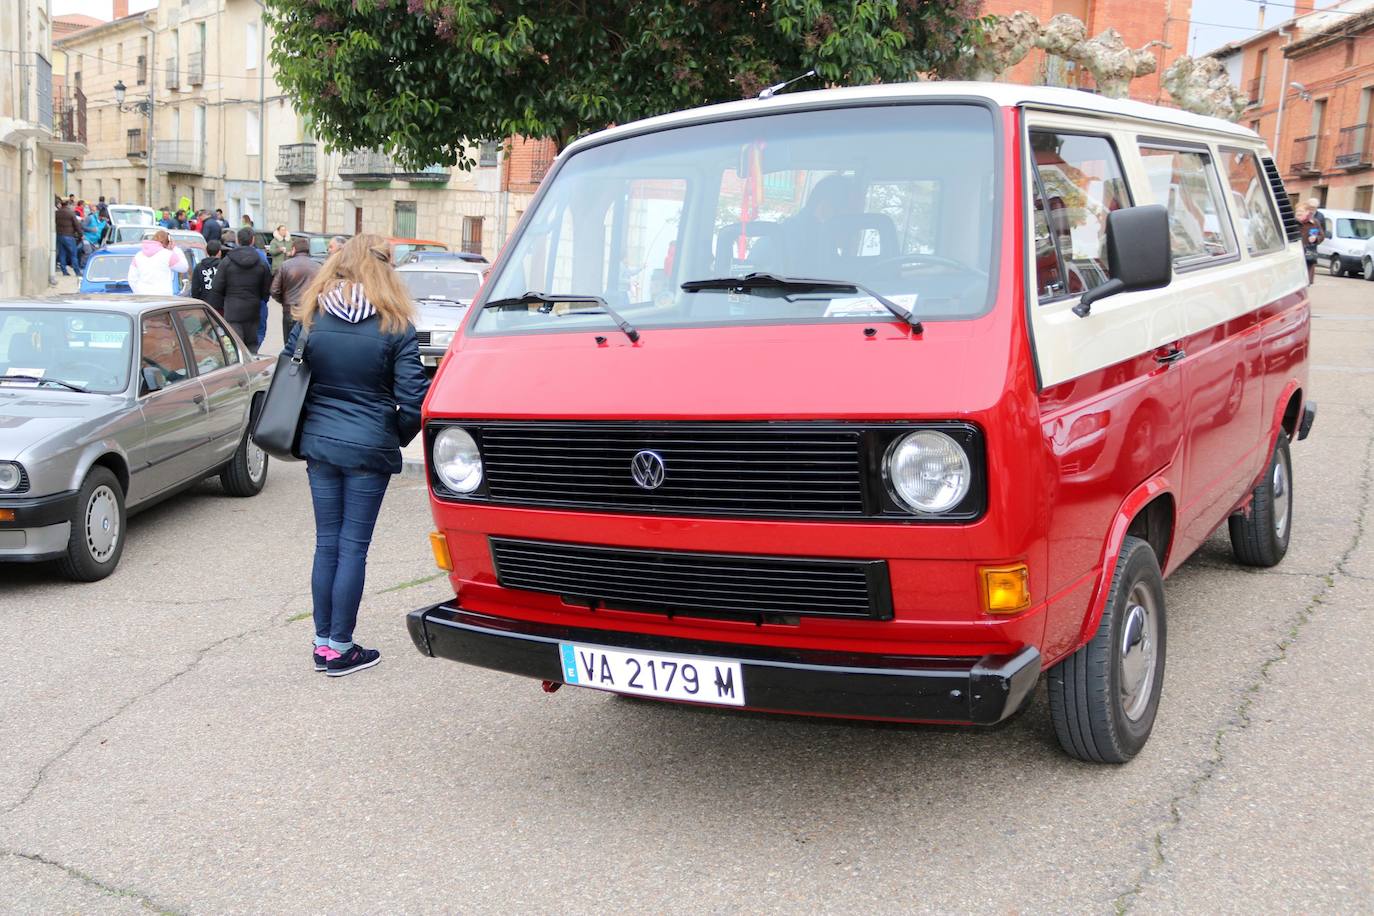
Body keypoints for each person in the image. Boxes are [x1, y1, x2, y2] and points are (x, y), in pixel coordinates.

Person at [283, 234, 428, 676]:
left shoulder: (311, 317)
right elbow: (414, 400)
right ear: (385, 269)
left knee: (327, 542)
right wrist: (392, 435)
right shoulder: (396, 325)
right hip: (369, 448)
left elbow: (290, 377)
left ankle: (322, 644)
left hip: (320, 445)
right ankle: (341, 647)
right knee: (353, 548)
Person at [218, 227, 272, 352]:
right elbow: (267, 286)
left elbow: (218, 286)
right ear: (252, 240)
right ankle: (252, 356)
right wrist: (262, 299)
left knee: (236, 344)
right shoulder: (261, 259)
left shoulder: (228, 260)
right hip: (255, 308)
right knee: (254, 341)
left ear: (237, 240)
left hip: (233, 309)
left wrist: (225, 300)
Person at [271, 236, 321, 342]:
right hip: (310, 310)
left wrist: (285, 301)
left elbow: (274, 290)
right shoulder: (318, 267)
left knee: (289, 344)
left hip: (290, 310)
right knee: (308, 343)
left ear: (294, 249)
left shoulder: (285, 265)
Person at [127, 229, 189, 295]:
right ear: (168, 242)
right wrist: (175, 248)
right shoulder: (167, 255)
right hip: (163, 296)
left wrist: (138, 292)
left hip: (143, 296)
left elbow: (132, 278)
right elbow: (184, 267)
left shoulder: (138, 255)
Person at [191, 239, 225, 313]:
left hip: (204, 306)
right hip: (221, 306)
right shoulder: (224, 266)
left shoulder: (199, 267)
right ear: (219, 252)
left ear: (206, 252)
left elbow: (195, 290)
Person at [1296, 200, 1324, 285]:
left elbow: (1321, 236)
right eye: (1297, 211)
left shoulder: (1314, 223)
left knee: (1305, 282)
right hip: (1295, 254)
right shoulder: (1292, 222)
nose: (1298, 213)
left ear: (1307, 212)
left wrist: (1316, 238)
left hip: (1308, 255)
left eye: (1301, 211)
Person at [54, 199, 82, 276]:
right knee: (73, 254)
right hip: (69, 235)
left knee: (62, 253)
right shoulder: (71, 213)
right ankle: (77, 271)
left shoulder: (57, 212)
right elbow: (77, 225)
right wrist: (81, 234)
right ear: (68, 205)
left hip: (59, 235)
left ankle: (64, 271)